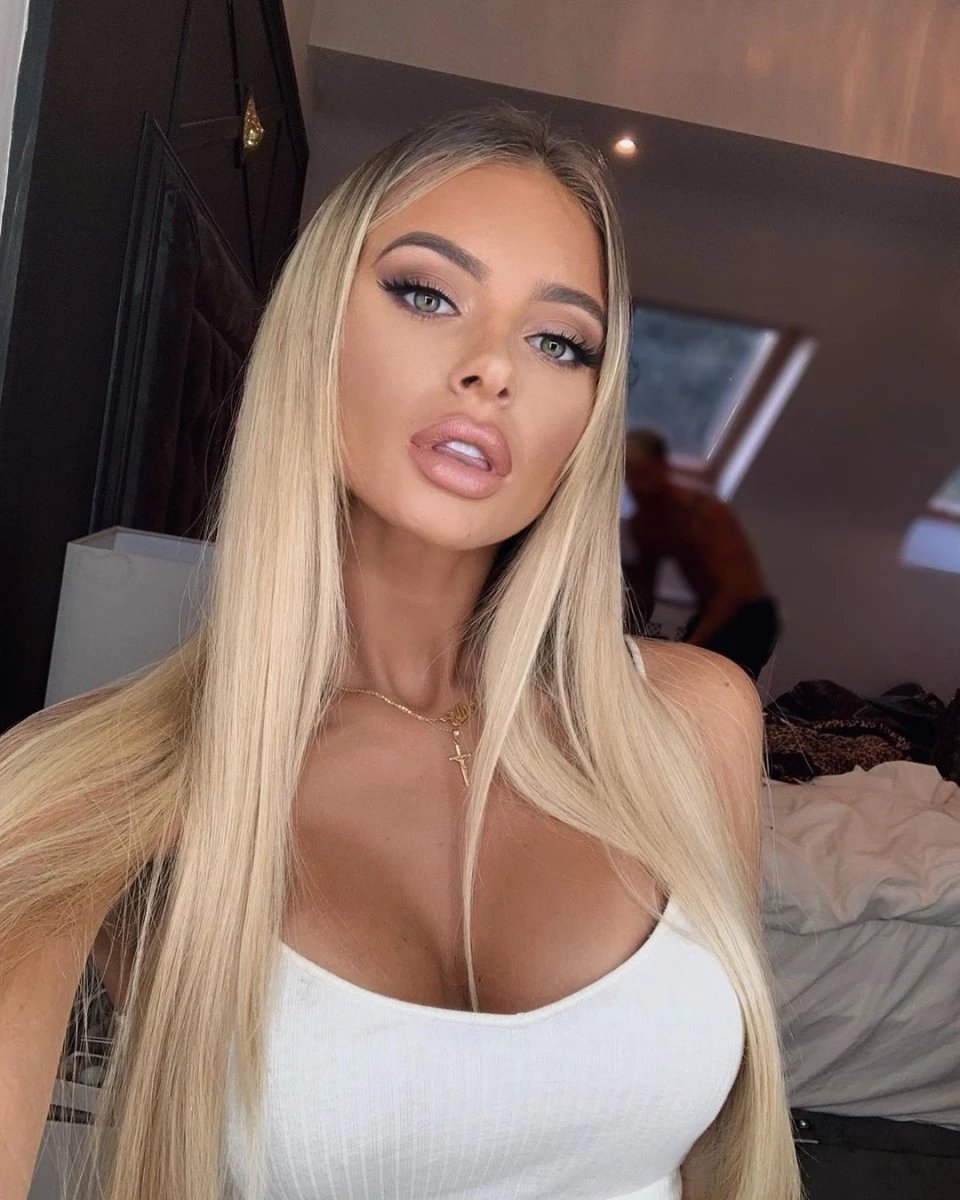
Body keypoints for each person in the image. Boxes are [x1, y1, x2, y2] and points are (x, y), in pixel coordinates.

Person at [0, 105, 800, 1200]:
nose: (493, 369)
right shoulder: (103, 782)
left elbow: (722, 1166)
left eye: (558, 341)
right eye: (427, 293)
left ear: (589, 417)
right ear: (317, 327)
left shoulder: (693, 719)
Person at [623, 428, 781, 680]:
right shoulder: (644, 523)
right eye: (630, 477)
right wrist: (632, 639)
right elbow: (645, 586)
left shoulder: (704, 514)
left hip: (748, 614)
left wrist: (692, 644)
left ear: (662, 466)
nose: (637, 487)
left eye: (643, 475)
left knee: (706, 682)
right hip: (709, 610)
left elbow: (731, 591)